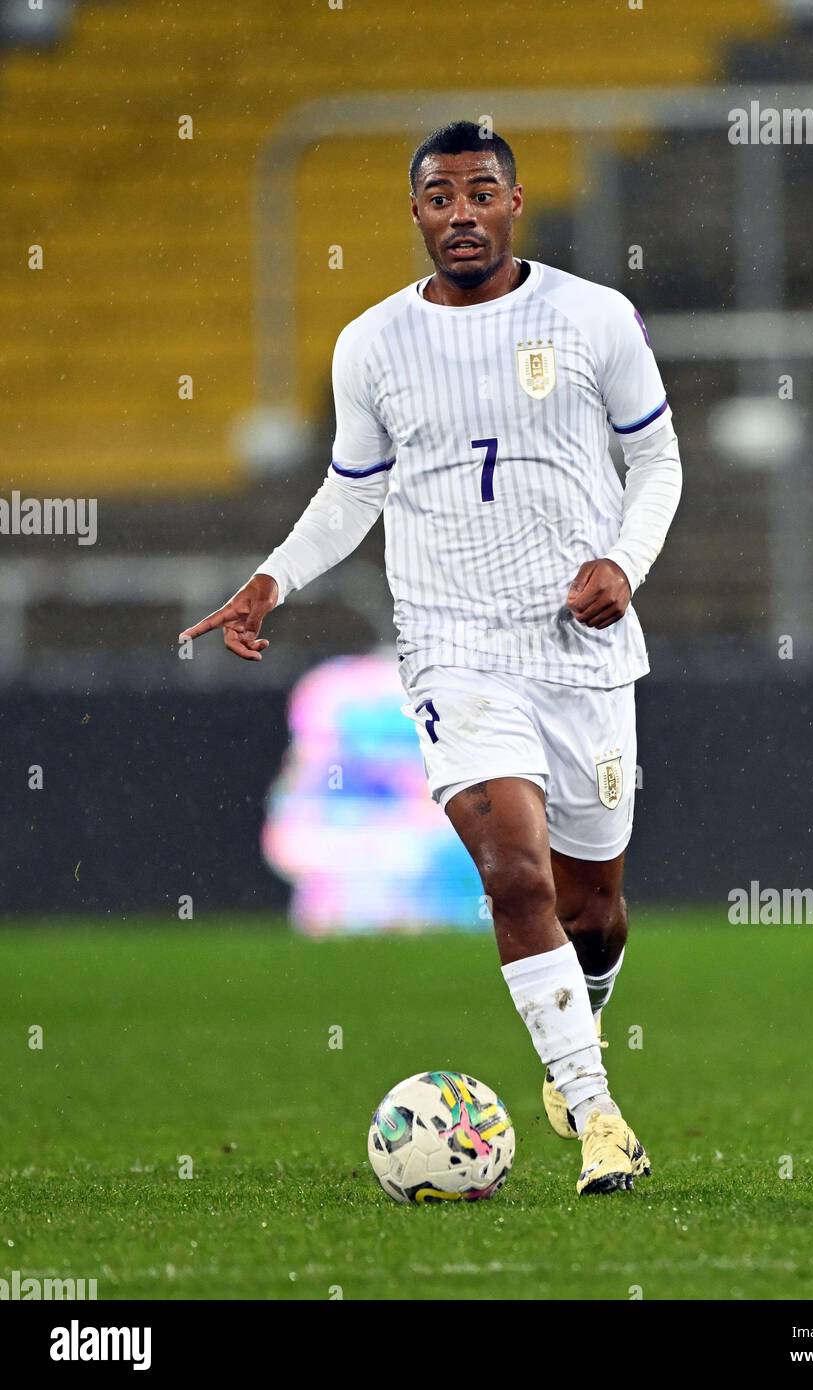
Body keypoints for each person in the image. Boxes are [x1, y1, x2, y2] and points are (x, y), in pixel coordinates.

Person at [180, 120, 682, 1195]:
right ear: (415, 212)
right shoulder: (371, 342)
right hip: (454, 650)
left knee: (595, 907)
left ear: (514, 201)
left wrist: (623, 563)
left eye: (481, 193)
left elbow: (659, 459)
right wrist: (273, 578)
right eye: (441, 197)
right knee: (513, 873)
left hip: (581, 650)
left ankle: (579, 1015)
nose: (462, 213)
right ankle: (598, 1115)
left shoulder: (593, 318)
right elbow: (353, 486)